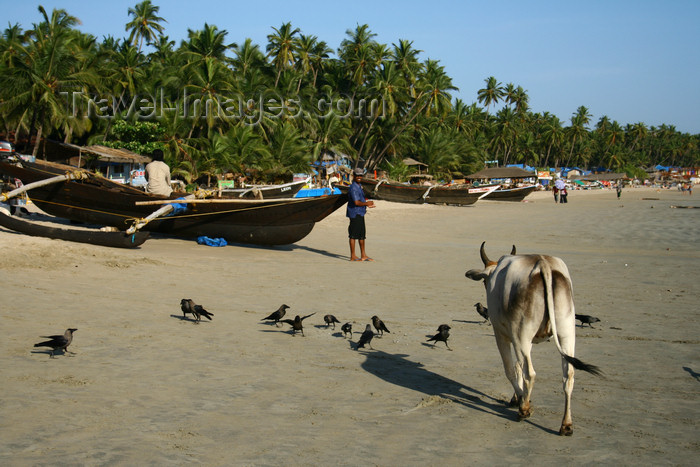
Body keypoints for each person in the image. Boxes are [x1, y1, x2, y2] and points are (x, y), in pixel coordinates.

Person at [347, 167, 375, 261]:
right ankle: (353, 256)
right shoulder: (354, 187)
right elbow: (356, 202)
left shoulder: (359, 186)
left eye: (360, 175)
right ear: (354, 176)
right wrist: (367, 203)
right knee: (353, 235)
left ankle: (363, 255)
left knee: (362, 235)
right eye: (357, 175)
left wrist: (367, 204)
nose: (359, 177)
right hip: (355, 213)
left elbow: (360, 200)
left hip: (360, 213)